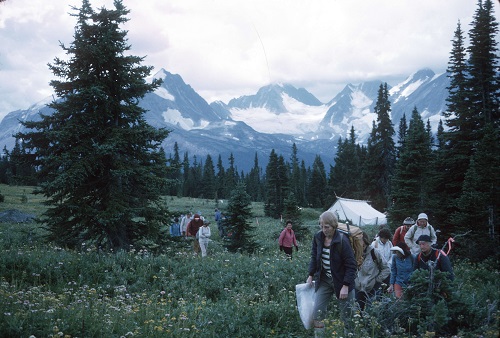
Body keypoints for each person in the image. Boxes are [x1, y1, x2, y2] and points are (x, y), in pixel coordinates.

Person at [307, 211, 357, 337]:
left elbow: (351, 265)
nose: (324, 230)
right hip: (324, 280)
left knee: (348, 315)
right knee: (317, 312)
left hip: (342, 281)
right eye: (322, 226)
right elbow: (314, 256)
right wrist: (311, 274)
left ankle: (349, 335)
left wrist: (345, 285)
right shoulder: (318, 237)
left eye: (327, 227)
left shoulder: (342, 241)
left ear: (334, 226)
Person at [355, 232, 390, 311]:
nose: (360, 245)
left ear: (365, 241)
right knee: (357, 312)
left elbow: (386, 268)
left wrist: (377, 280)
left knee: (370, 311)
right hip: (357, 288)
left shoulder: (374, 252)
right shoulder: (353, 253)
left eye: (361, 242)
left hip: (371, 288)